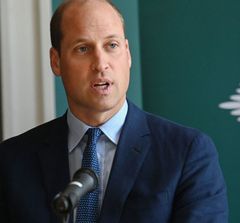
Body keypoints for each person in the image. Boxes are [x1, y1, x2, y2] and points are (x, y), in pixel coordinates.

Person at [0, 0, 228, 222]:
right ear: (56, 61)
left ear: (127, 54)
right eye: (83, 48)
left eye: (112, 45)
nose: (100, 63)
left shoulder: (187, 153)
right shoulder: (12, 161)